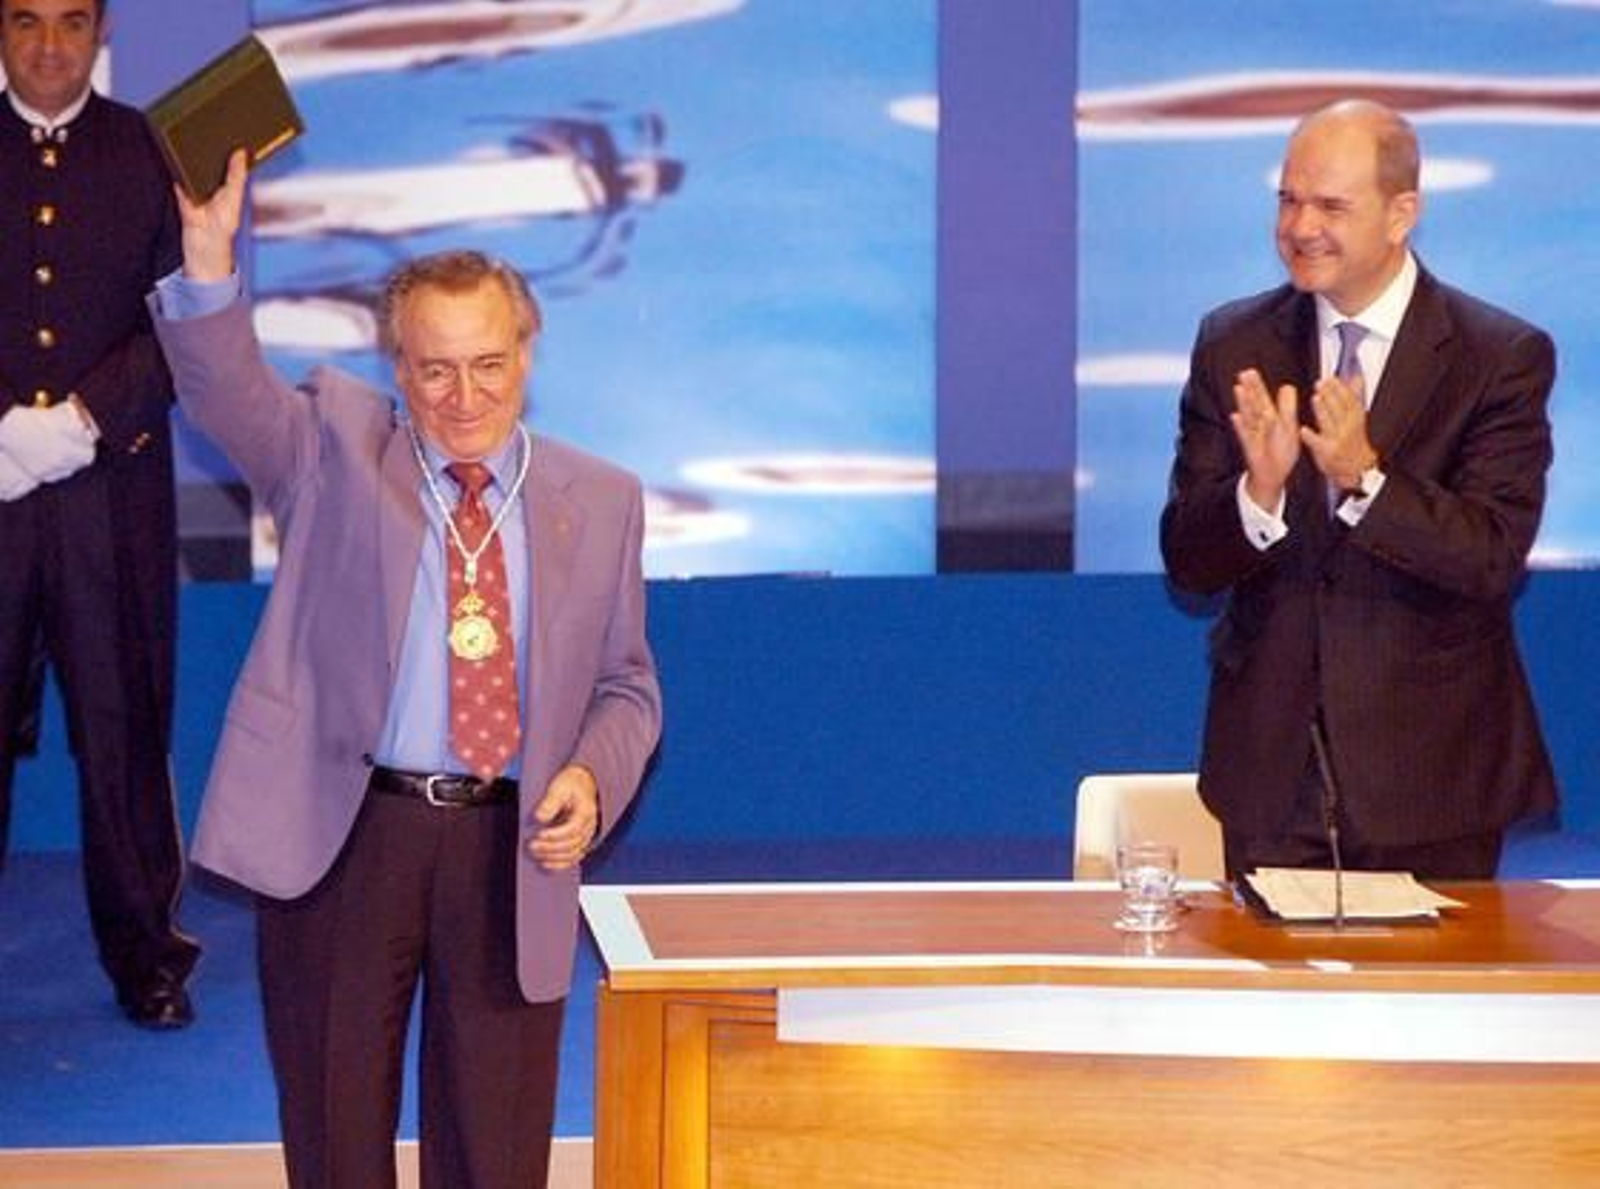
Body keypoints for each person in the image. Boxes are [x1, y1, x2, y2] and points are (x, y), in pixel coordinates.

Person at [154, 149, 662, 1189]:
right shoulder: (333, 449)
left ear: (527, 352)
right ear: (398, 367)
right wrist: (208, 263)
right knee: (339, 1134)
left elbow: (627, 685)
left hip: (509, 841)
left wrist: (589, 777)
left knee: (496, 1148)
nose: (463, 393)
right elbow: (227, 392)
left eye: (487, 362)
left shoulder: (601, 497)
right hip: (349, 838)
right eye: (434, 368)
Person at [1160, 99, 1557, 882]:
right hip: (1271, 778)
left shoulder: (1498, 355)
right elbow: (1187, 562)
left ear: (1402, 212)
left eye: (1331, 205)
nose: (1301, 226)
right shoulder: (1232, 341)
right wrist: (1257, 494)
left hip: (1432, 780)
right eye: (1288, 200)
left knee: (1429, 1006)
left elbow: (1490, 556)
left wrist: (1366, 481)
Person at [0, 0, 198, 1028]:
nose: (47, 45)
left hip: (108, 492)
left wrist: (84, 417)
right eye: (24, 20)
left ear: (100, 31)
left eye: (70, 22)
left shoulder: (151, 149)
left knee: (123, 730)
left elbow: (189, 316)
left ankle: (147, 959)